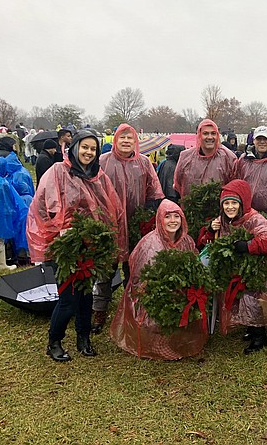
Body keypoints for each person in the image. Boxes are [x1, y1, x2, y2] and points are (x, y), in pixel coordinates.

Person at [27, 130, 127, 362]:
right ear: (75, 147)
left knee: (85, 297)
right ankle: (54, 341)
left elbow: (110, 208)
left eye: (93, 149)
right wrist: (60, 228)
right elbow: (43, 204)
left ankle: (83, 338)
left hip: (89, 247)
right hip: (63, 247)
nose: (89, 153)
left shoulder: (99, 177)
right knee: (69, 298)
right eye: (85, 147)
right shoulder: (57, 172)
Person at [109, 199, 204, 360]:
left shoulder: (186, 240)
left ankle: (172, 334)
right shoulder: (150, 244)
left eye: (176, 216)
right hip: (154, 292)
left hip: (179, 288)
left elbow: (194, 262)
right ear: (160, 219)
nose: (173, 221)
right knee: (158, 313)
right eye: (168, 217)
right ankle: (158, 342)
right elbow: (140, 277)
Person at [93, 124, 164, 332]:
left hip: (135, 224)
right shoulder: (103, 162)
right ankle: (100, 309)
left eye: (130, 138)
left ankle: (133, 309)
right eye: (122, 137)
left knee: (134, 269)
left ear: (135, 141)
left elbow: (154, 191)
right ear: (115, 140)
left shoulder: (143, 163)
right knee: (106, 270)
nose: (126, 141)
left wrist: (148, 218)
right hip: (109, 224)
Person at [203, 179, 267, 354]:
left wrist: (248, 246)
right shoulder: (223, 221)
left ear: (242, 204)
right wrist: (210, 230)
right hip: (234, 270)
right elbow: (208, 244)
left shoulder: (254, 219)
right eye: (226, 203)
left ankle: (259, 337)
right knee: (240, 299)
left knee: (252, 300)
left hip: (253, 270)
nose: (230, 207)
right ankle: (250, 327)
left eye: (234, 203)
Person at [173, 119, 236, 198]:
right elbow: (178, 184)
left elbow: (235, 186)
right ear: (199, 135)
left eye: (213, 133)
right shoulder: (186, 157)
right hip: (191, 207)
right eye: (205, 133)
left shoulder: (228, 157)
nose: (210, 137)